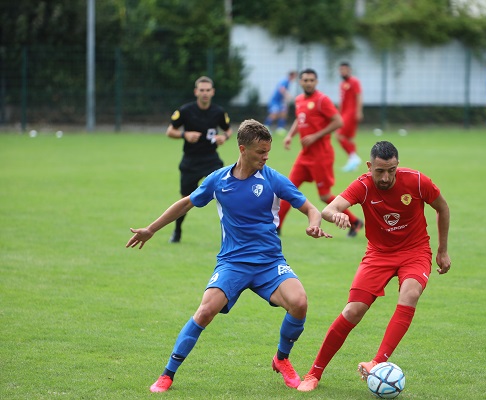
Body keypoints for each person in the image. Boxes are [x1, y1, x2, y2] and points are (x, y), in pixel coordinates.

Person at [126, 119, 332, 393]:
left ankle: (281, 359)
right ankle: (167, 374)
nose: (266, 156)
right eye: (260, 151)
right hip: (233, 263)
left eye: (268, 151)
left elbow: (311, 208)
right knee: (205, 311)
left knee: (300, 302)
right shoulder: (219, 180)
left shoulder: (273, 179)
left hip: (270, 263)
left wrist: (313, 223)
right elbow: (187, 202)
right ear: (242, 148)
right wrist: (151, 229)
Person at [296, 140, 451, 392]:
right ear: (369, 166)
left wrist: (442, 250)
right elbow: (328, 209)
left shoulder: (418, 181)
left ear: (397, 165)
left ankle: (377, 363)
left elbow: (442, 208)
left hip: (415, 251)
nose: (386, 177)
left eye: (391, 170)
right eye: (380, 171)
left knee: (410, 293)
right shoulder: (363, 185)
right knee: (352, 311)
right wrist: (337, 214)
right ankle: (314, 373)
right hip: (378, 254)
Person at [279, 68, 363, 237]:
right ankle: (276, 228)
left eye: (311, 80)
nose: (308, 83)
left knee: (324, 196)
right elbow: (299, 118)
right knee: (288, 190)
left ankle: (354, 222)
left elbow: (338, 121)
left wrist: (316, 136)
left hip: (321, 156)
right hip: (305, 155)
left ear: (316, 82)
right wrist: (290, 135)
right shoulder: (299, 100)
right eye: (305, 80)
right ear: (300, 82)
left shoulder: (322, 100)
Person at [166, 76, 233, 243]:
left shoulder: (218, 112)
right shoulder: (186, 111)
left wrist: (224, 137)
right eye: (201, 90)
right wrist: (184, 134)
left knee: (227, 194)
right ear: (196, 92)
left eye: (208, 90)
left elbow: (229, 130)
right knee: (185, 198)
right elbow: (170, 131)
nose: (205, 93)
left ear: (213, 92)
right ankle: (177, 231)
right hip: (191, 161)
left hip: (211, 160)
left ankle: (232, 235)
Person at [337, 62, 364, 171]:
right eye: (341, 69)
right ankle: (353, 163)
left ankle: (353, 157)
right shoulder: (342, 84)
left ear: (349, 70)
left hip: (351, 113)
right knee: (349, 138)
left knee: (339, 135)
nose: (342, 71)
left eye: (344, 69)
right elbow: (342, 101)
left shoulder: (354, 82)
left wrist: (359, 111)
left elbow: (359, 96)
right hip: (344, 113)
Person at [265, 70, 297, 135]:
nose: (295, 78)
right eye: (295, 76)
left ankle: (280, 128)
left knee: (284, 113)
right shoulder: (285, 81)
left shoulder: (288, 82)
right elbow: (281, 89)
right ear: (292, 75)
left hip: (281, 101)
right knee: (274, 114)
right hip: (275, 100)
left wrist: (285, 100)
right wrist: (288, 96)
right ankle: (266, 127)